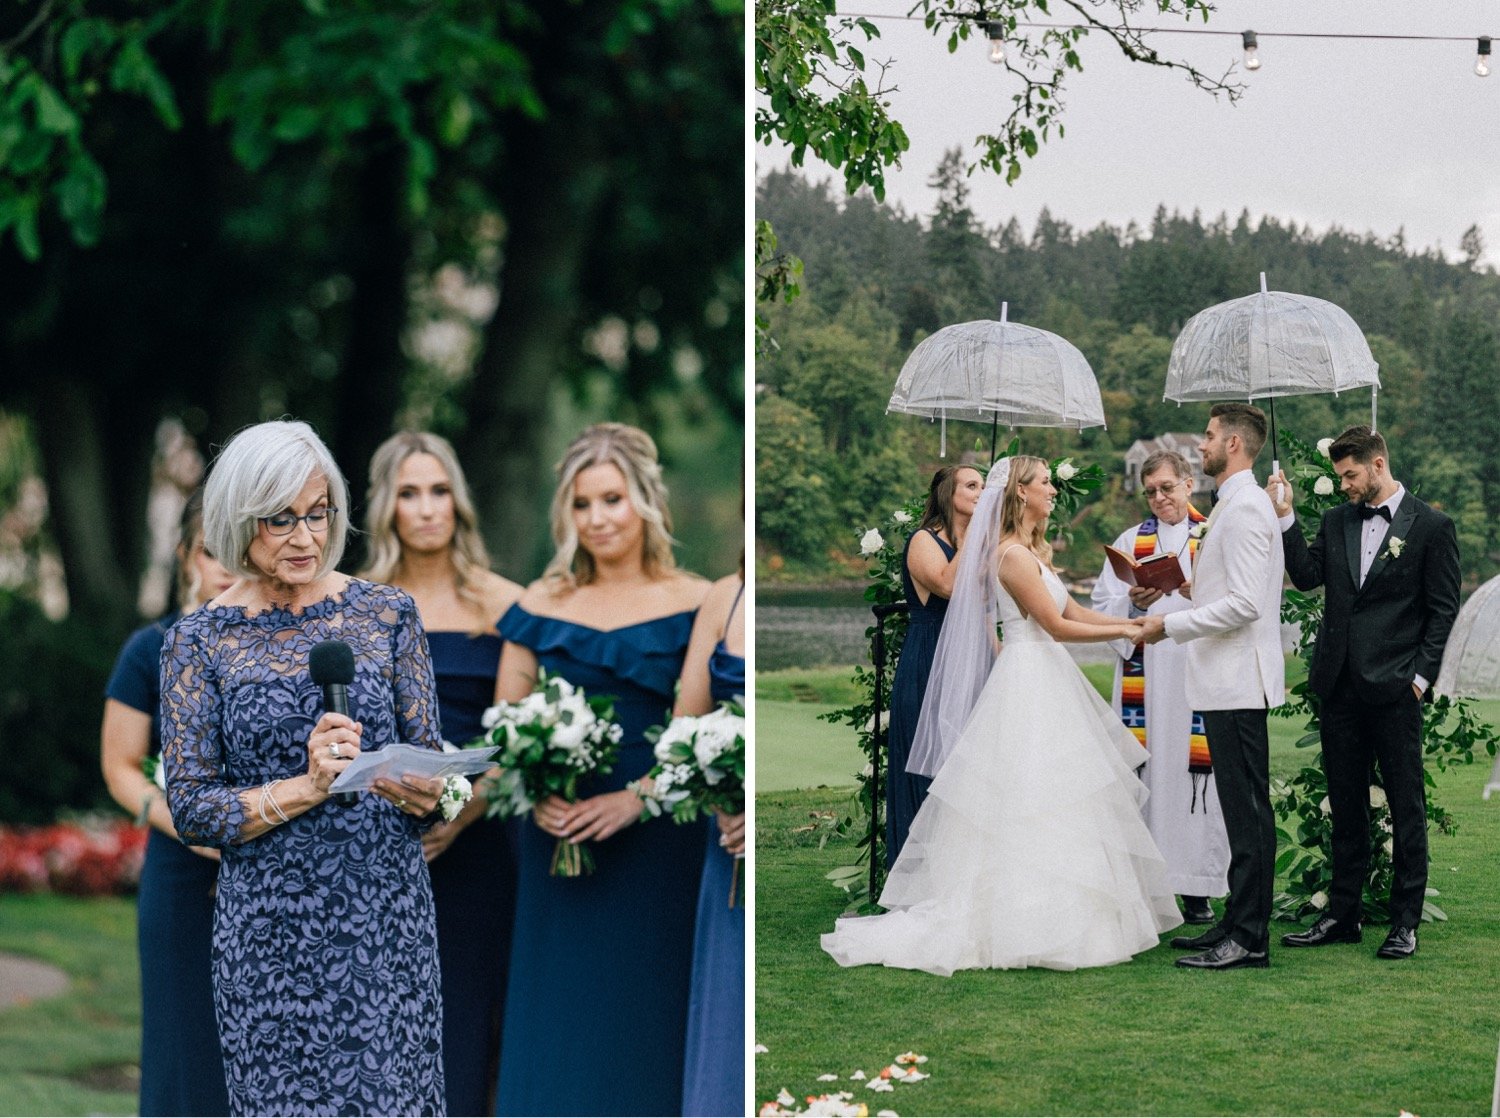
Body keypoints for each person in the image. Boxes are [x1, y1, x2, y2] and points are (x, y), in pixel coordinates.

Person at [158, 420, 448, 1116]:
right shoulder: (196, 641)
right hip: (270, 932)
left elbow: (435, 767)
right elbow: (193, 807)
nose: (305, 537)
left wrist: (428, 794)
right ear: (238, 517)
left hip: (384, 916)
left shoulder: (387, 615)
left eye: (317, 513)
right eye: (280, 518)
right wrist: (307, 786)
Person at [821, 456, 1180, 976]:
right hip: (1027, 676)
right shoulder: (1010, 556)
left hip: (1047, 678)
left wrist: (1138, 621)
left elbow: (1075, 611)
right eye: (1046, 485)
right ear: (1021, 495)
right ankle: (1018, 919)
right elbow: (1054, 626)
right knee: (1025, 796)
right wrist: (1127, 634)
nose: (1054, 492)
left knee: (1058, 793)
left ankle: (1072, 915)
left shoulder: (1035, 551)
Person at [492, 422, 710, 1116]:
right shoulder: (539, 604)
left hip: (657, 836)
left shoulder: (698, 600)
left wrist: (638, 799)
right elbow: (503, 725)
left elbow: (703, 729)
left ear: (644, 501)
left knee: (645, 1007)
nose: (598, 519)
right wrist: (535, 791)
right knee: (561, 1010)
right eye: (582, 505)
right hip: (556, 835)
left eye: (612, 500)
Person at [360, 431, 523, 1115]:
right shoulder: (355, 604)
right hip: (373, 843)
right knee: (374, 1022)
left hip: (478, 842)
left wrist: (462, 810)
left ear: (458, 501)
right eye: (408, 493)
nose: (427, 508)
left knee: (465, 1017)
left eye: (438, 490)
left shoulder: (506, 603)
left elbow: (520, 734)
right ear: (385, 508)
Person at [1266, 425, 1459, 960]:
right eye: (1340, 476)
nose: (1345, 485)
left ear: (1378, 464)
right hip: (1339, 688)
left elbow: (1443, 610)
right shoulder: (1335, 519)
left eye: (1350, 475)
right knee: (1345, 807)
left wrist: (1420, 678)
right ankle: (1342, 916)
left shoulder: (1432, 527)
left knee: (1406, 805)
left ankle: (1404, 923)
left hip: (1397, 691)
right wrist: (1285, 515)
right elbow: (1304, 577)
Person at [101, 490, 235, 1117]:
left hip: (274, 877)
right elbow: (121, 768)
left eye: (238, 546)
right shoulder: (149, 651)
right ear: (187, 557)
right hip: (184, 879)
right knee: (185, 1055)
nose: (226, 565)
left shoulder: (286, 649)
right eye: (212, 550)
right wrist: (185, 821)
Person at [1141, 403, 1285, 971]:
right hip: (1222, 683)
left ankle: (1250, 938)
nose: (1200, 444)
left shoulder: (1247, 507)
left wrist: (1170, 625)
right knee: (1237, 812)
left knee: (1249, 816)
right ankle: (1234, 921)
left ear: (1235, 445)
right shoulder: (1233, 504)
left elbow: (1248, 603)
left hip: (1238, 683)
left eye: (1208, 436)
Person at [1091, 450, 1228, 925]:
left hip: (1195, 673)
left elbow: (1239, 598)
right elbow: (1101, 603)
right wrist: (1130, 603)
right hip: (1145, 677)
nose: (1159, 498)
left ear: (1190, 484)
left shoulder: (1214, 533)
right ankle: (1145, 886)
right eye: (1150, 491)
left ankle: (1196, 889)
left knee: (1192, 780)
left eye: (1167, 487)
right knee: (1149, 776)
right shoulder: (1131, 540)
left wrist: (1198, 591)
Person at [885, 464, 983, 866]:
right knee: (925, 765)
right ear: (948, 493)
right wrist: (973, 539)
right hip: (930, 657)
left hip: (970, 657)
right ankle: (915, 874)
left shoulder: (980, 544)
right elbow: (945, 584)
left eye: (984, 486)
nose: (981, 492)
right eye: (972, 485)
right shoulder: (923, 541)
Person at [675, 568, 745, 1117]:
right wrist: (721, 795)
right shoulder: (726, 592)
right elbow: (686, 722)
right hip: (723, 828)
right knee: (726, 1005)